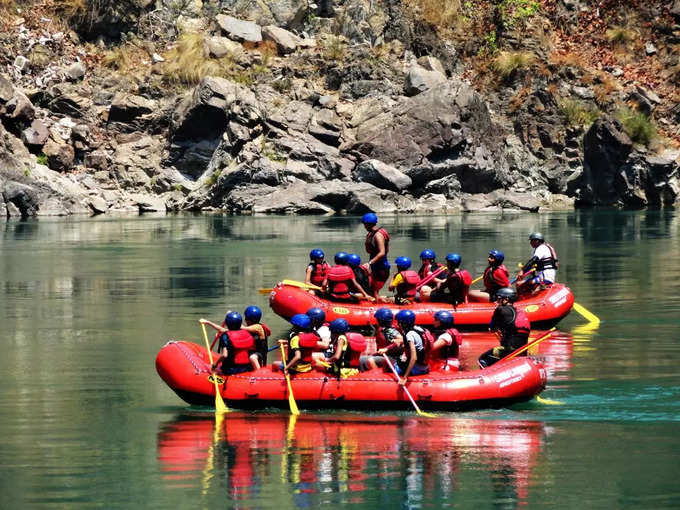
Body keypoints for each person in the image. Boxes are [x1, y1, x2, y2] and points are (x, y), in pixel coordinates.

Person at [478, 287, 531, 368]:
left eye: (499, 299)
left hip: (509, 351)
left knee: (482, 359)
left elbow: (492, 329)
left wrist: (496, 311)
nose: (496, 301)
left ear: (506, 299)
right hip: (522, 353)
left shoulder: (500, 310)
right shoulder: (519, 312)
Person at [389, 310, 430, 385]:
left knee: (390, 364)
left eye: (399, 322)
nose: (398, 324)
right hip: (425, 367)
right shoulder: (420, 329)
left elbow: (414, 357)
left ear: (403, 324)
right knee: (401, 358)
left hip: (417, 369)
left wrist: (405, 377)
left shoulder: (409, 335)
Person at [361, 212, 390, 301]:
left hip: (381, 267)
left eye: (365, 224)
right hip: (377, 266)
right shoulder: (373, 233)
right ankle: (377, 302)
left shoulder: (378, 235)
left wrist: (370, 263)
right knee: (372, 290)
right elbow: (387, 249)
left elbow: (382, 252)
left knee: (374, 291)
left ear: (368, 224)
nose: (364, 226)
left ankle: (377, 309)